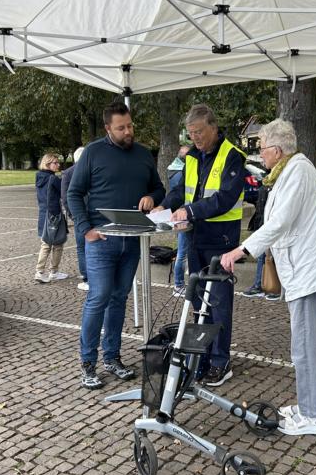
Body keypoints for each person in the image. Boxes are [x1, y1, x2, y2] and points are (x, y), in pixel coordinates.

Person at [220, 119, 316, 436]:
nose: (260, 155)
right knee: (302, 343)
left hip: (307, 271)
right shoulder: (292, 171)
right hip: (303, 268)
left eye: (262, 148)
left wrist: (241, 250)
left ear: (276, 150)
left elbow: (279, 222)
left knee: (305, 346)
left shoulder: (298, 171)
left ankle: (312, 416)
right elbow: (313, 211)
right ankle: (308, 405)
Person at [68, 102, 165, 390]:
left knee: (119, 298)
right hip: (102, 241)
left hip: (133, 240)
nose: (128, 132)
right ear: (108, 128)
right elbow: (74, 193)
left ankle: (112, 357)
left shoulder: (143, 154)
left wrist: (151, 196)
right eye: (121, 128)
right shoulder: (93, 153)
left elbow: (159, 188)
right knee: (98, 297)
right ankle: (88, 362)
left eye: (130, 126)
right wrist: (86, 230)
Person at [154, 104, 246, 387]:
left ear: (214, 128)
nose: (195, 138)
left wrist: (190, 212)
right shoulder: (192, 156)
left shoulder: (233, 156)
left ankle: (221, 362)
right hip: (195, 239)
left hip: (221, 241)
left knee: (218, 303)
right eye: (191, 133)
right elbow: (181, 190)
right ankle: (202, 356)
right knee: (198, 303)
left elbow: (226, 198)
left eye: (199, 132)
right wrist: (164, 206)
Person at [241, 182, 281, 301]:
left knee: (275, 256)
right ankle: (259, 285)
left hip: (274, 228)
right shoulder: (265, 187)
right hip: (264, 226)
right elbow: (260, 208)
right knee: (262, 257)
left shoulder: (279, 187)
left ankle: (276, 287)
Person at [34, 153, 68, 284]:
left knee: (45, 243)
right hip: (53, 213)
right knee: (57, 244)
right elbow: (63, 192)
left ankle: (40, 271)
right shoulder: (53, 179)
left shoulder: (39, 177)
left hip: (43, 213)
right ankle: (52, 271)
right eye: (55, 162)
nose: (58, 165)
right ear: (48, 164)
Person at [61, 146, 89, 291]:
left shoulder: (68, 173)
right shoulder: (94, 169)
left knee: (82, 248)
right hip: (95, 214)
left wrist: (73, 216)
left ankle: (87, 278)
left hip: (80, 216)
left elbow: (65, 198)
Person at [169, 145, 191, 296]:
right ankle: (178, 284)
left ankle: (179, 283)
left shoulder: (172, 170)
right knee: (182, 252)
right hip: (184, 215)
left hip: (181, 214)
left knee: (182, 251)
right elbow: (180, 194)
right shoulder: (181, 173)